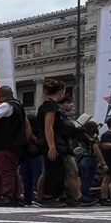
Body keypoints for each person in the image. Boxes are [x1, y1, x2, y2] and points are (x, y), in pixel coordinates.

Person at [0, 86, 29, 206]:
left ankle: (7, 196)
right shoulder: (18, 106)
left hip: (4, 143)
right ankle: (16, 196)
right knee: (13, 171)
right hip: (16, 144)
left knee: (5, 171)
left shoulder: (6, 105)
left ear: (0, 96)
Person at [36, 78, 69, 206]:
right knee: (53, 169)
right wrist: (52, 146)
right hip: (52, 142)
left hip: (53, 141)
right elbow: (48, 127)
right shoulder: (50, 106)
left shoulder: (50, 105)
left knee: (56, 169)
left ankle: (55, 195)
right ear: (60, 91)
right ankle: (48, 196)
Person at [76, 120, 102, 204]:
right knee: (88, 179)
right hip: (90, 158)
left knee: (81, 179)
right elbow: (96, 150)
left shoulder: (81, 136)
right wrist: (102, 161)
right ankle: (85, 196)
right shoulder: (93, 138)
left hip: (80, 158)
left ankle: (79, 195)